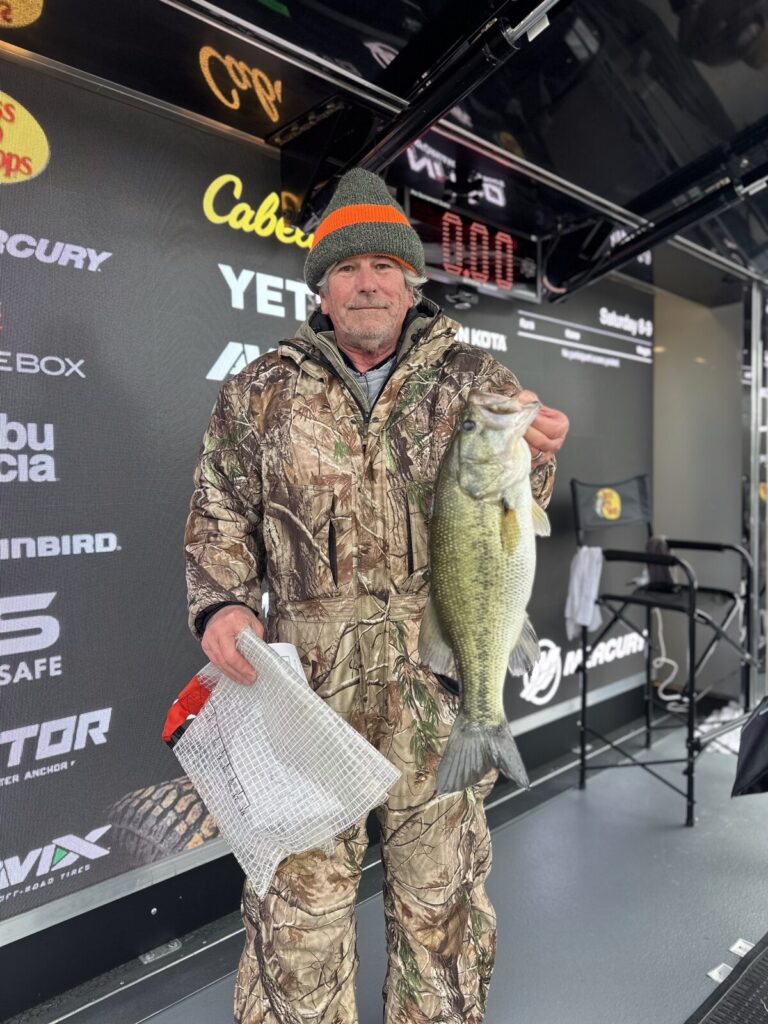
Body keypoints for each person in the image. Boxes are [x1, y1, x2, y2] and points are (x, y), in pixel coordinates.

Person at [184, 168, 569, 1024]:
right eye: (347, 267)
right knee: (298, 919)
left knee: (442, 913)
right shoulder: (258, 389)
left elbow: (506, 519)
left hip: (437, 696)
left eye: (384, 267)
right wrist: (222, 604)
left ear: (411, 283)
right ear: (321, 289)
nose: (366, 283)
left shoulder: (475, 379)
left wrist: (538, 455)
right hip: (304, 703)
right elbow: (220, 510)